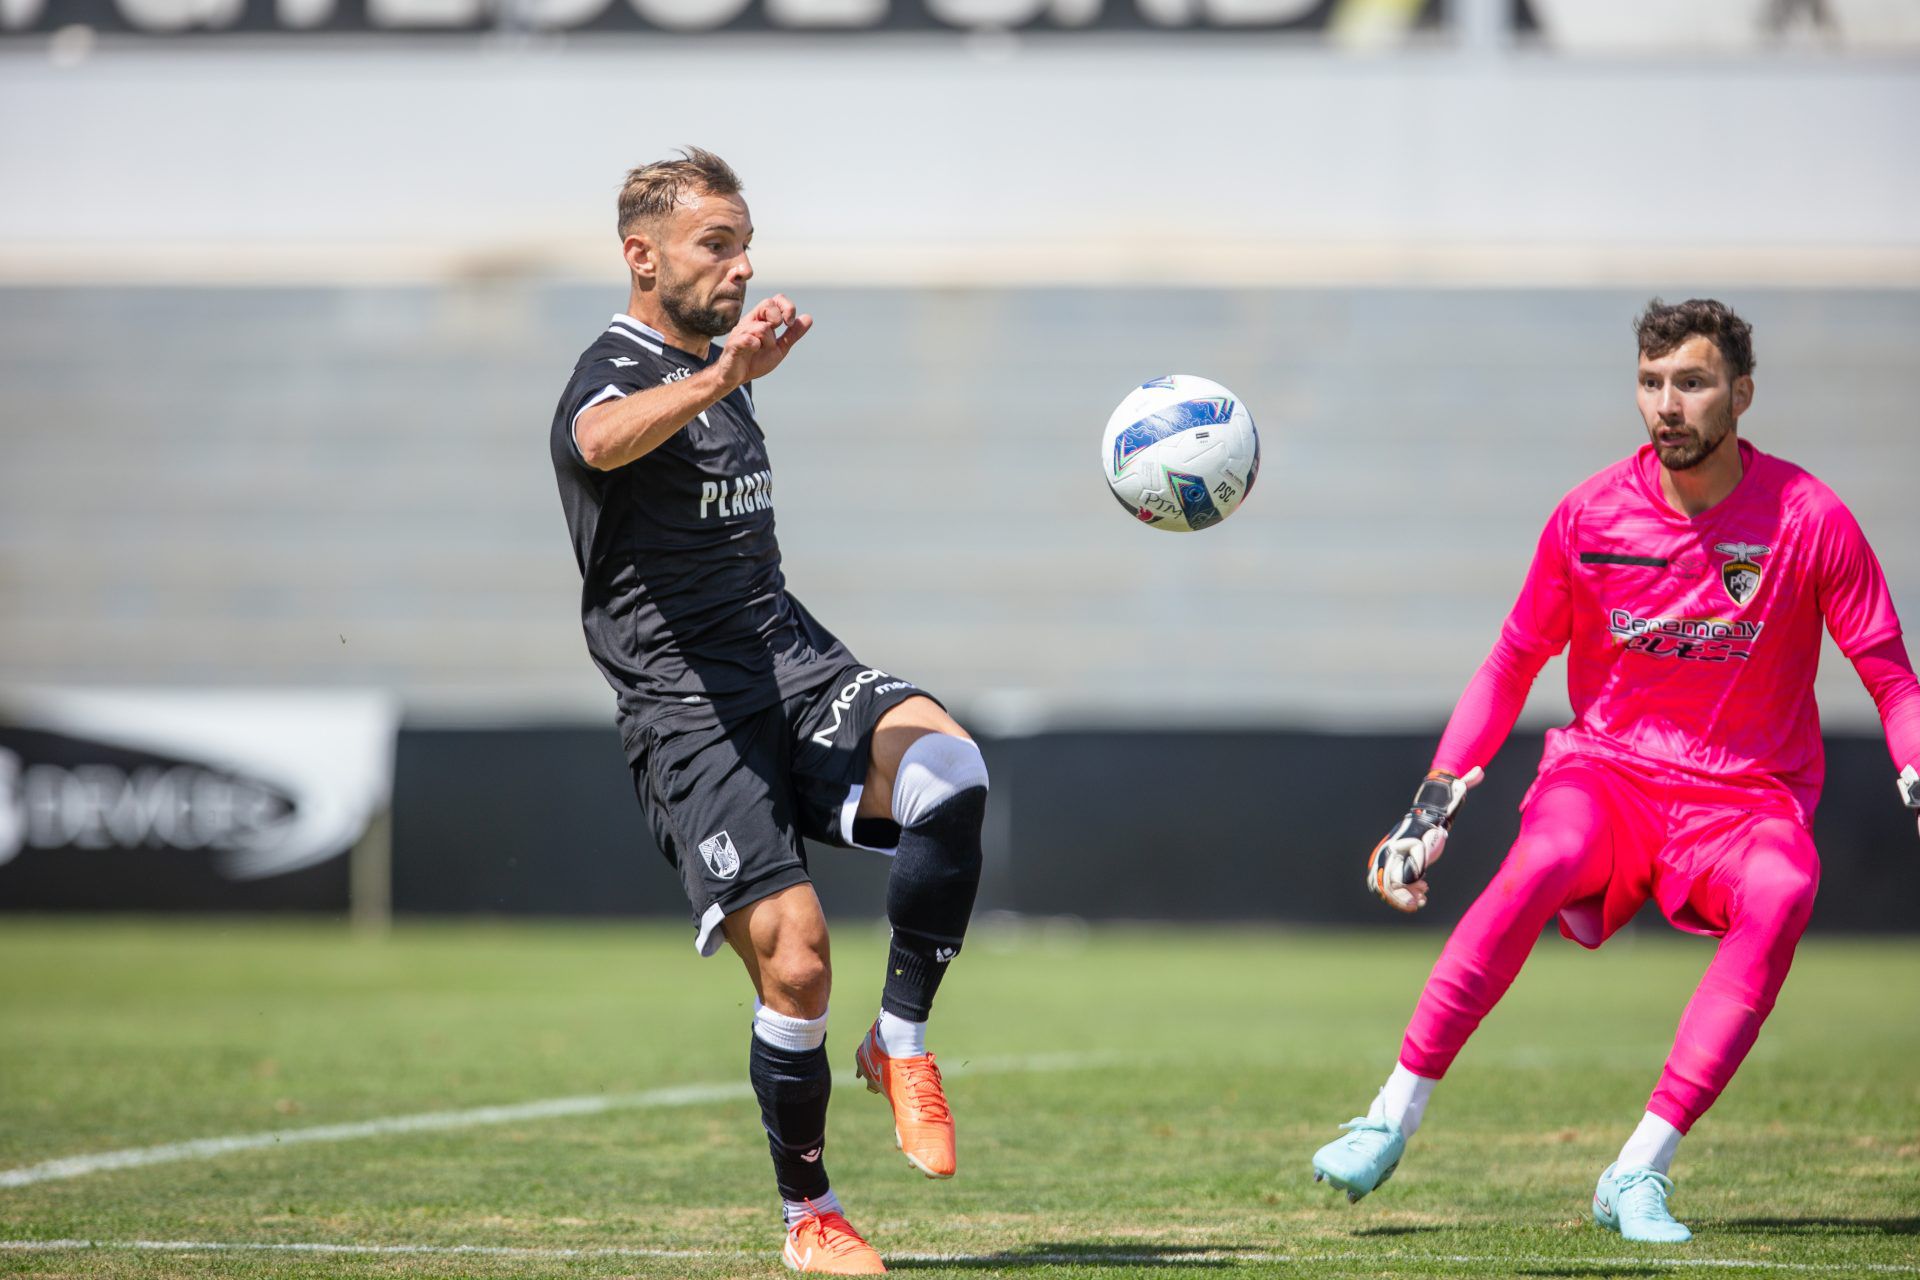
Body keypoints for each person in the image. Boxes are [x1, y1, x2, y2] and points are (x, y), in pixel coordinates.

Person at [1311, 298, 1920, 1243]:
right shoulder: (1589, 514)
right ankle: (1390, 1116)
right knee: (1546, 856)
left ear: (1741, 395)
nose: (1667, 405)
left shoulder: (1810, 518)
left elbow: (1889, 676)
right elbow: (1512, 663)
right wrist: (1432, 806)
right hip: (1609, 777)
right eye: (1650, 383)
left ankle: (1638, 1170)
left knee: (1785, 886)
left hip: (1744, 798)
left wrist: (1915, 768)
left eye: (1693, 382)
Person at [549, 148, 989, 1275]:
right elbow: (597, 439)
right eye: (716, 245)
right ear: (643, 256)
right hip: (690, 708)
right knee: (796, 964)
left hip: (789, 660)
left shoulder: (719, 371)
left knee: (950, 770)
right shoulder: (614, 369)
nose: (741, 267)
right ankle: (811, 1215)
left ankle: (899, 1042)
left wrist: (731, 371)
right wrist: (723, 375)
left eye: (747, 246)